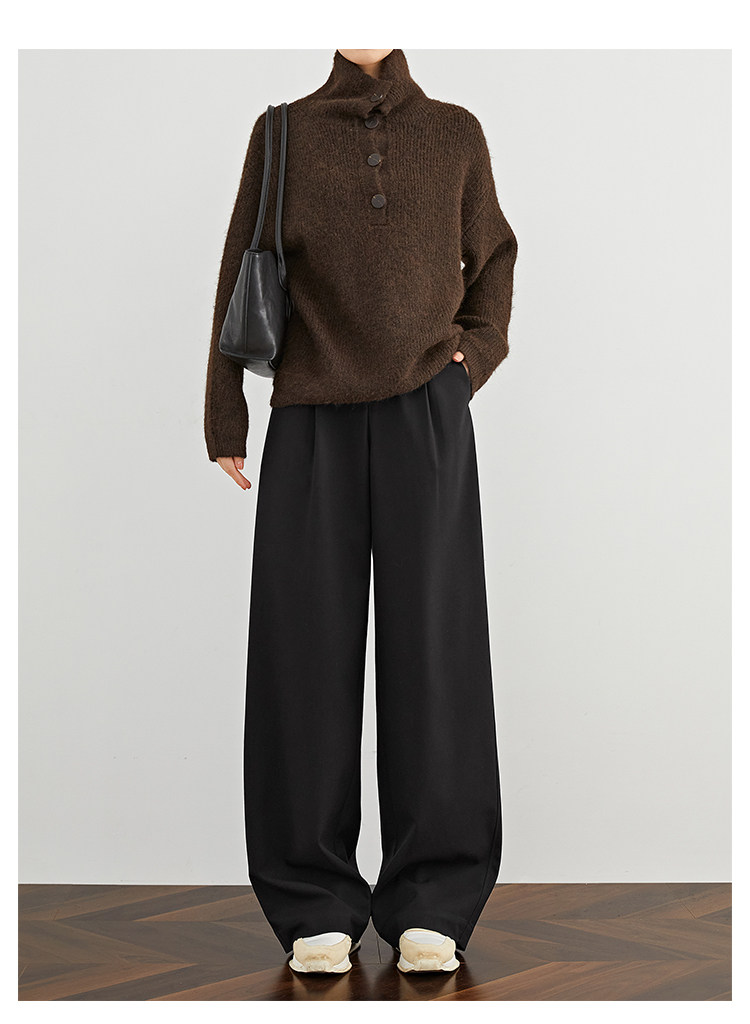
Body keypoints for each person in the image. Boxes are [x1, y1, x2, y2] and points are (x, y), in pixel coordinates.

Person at [204, 48, 518, 975]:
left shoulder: (454, 132)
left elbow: (495, 256)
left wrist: (472, 359)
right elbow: (238, 268)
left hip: (428, 413)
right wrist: (225, 411)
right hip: (310, 416)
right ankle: (314, 900)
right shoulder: (283, 133)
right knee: (303, 655)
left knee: (437, 652)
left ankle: (435, 899)